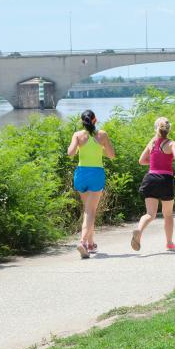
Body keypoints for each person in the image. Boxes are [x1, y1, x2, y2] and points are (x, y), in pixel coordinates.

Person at [67, 109, 115, 258]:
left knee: (88, 210)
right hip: (96, 174)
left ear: (82, 122)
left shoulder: (78, 135)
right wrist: (102, 147)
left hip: (81, 174)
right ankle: (82, 242)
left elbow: (70, 154)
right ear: (95, 120)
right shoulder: (102, 135)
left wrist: (78, 144)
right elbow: (112, 156)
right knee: (90, 211)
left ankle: (90, 244)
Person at [131, 116, 175, 252]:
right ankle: (169, 243)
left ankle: (139, 230)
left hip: (151, 179)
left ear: (156, 128)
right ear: (169, 129)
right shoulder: (171, 143)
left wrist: (154, 163)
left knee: (150, 214)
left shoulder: (152, 143)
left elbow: (141, 161)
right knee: (168, 214)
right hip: (165, 180)